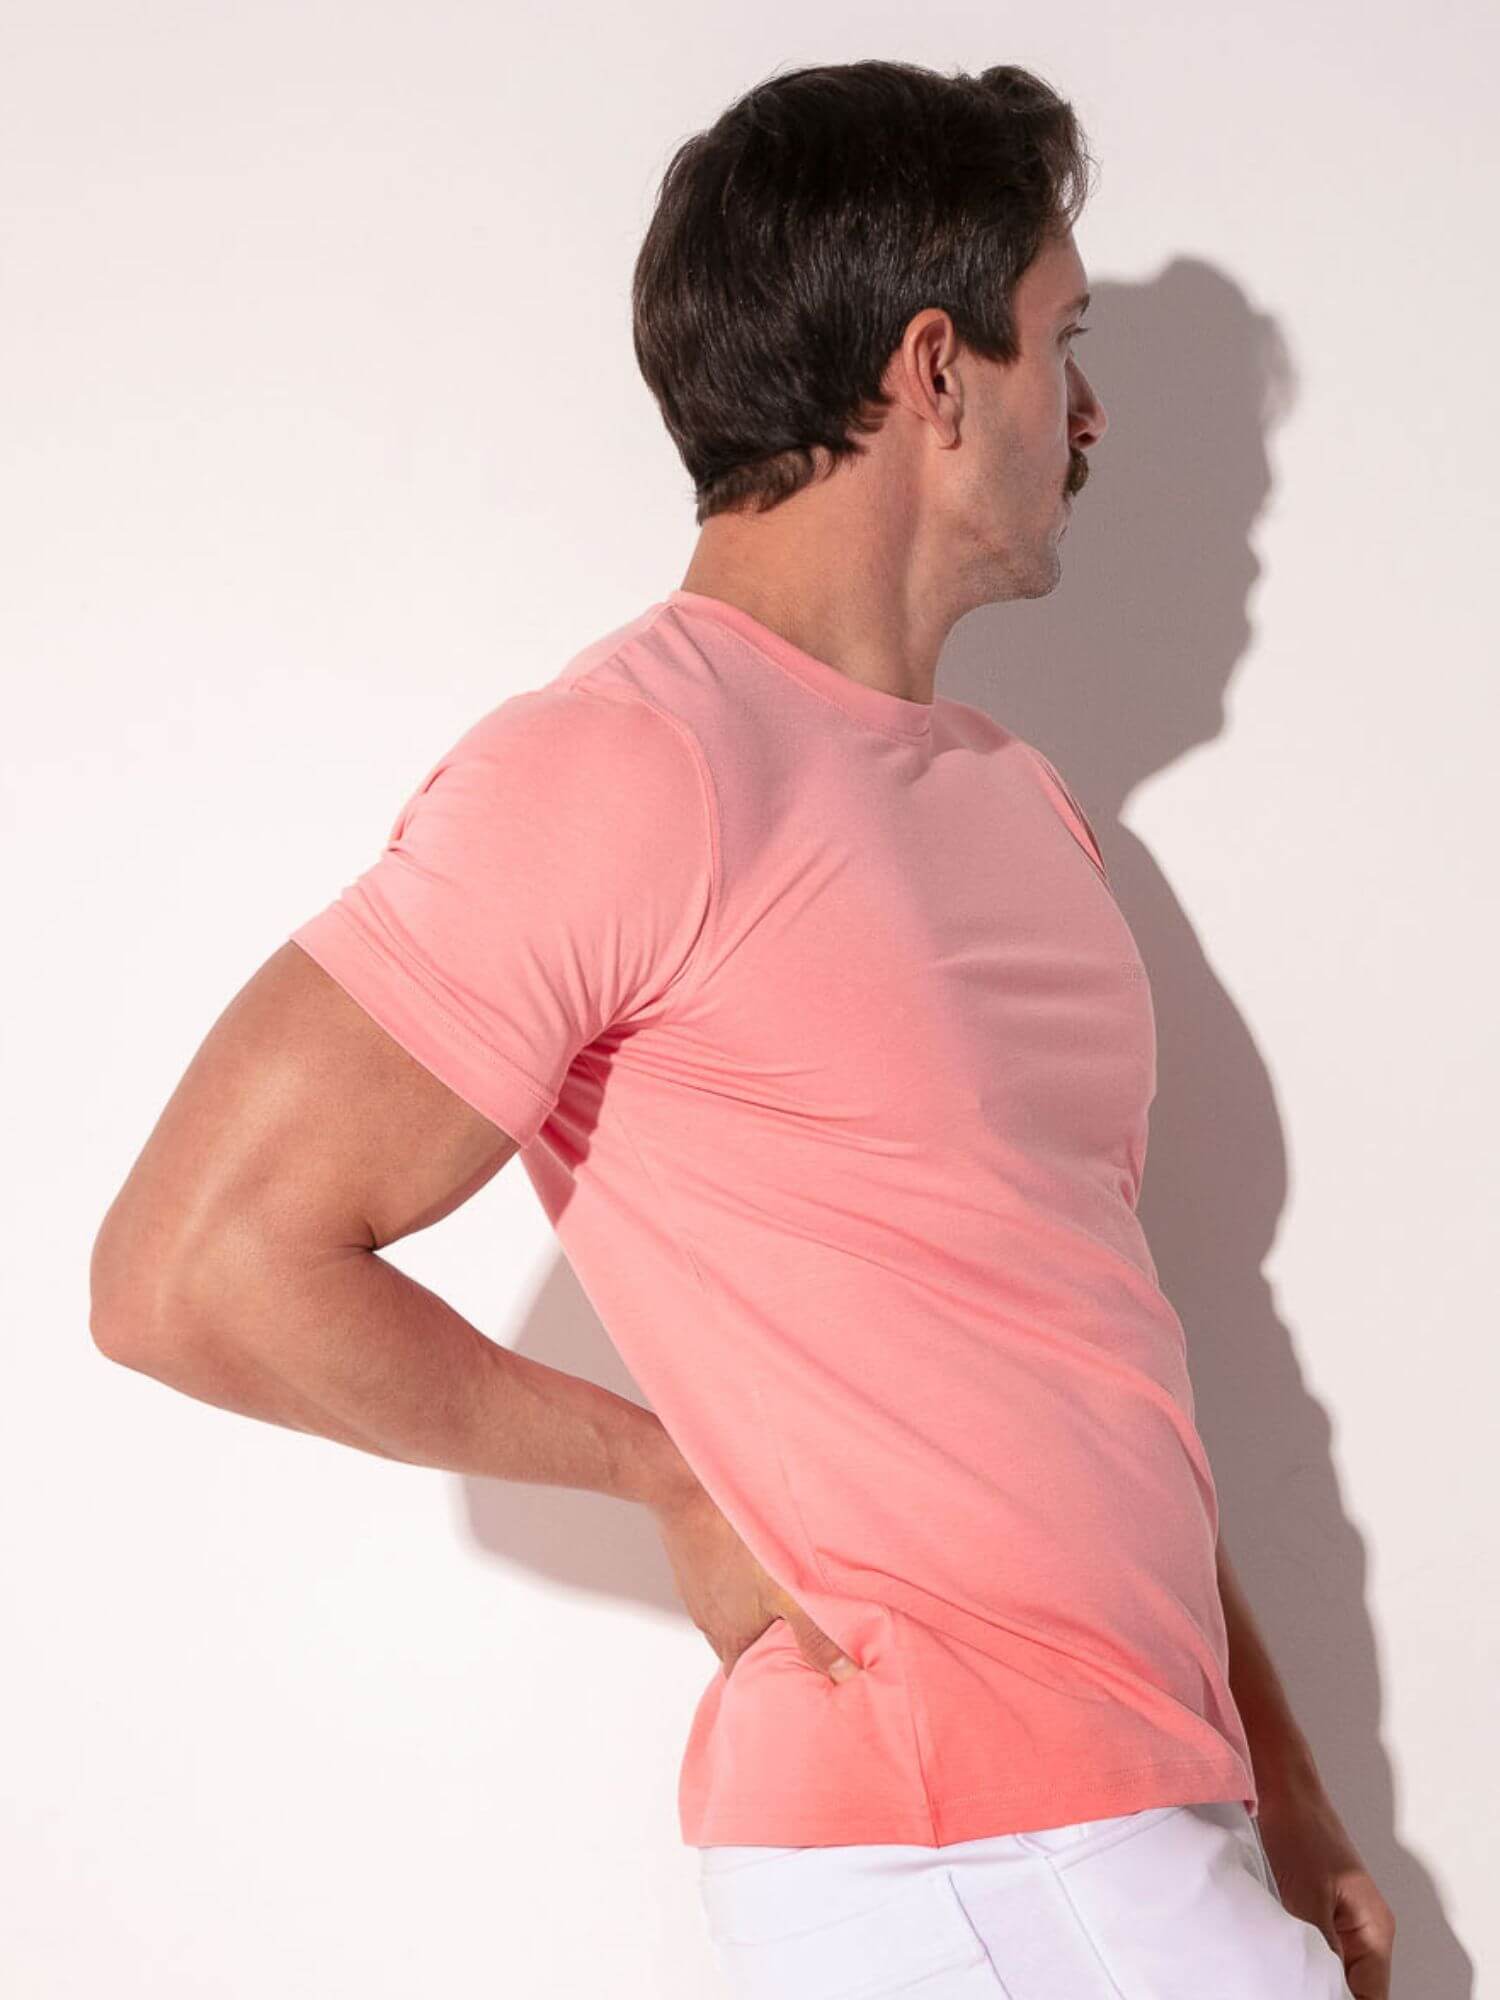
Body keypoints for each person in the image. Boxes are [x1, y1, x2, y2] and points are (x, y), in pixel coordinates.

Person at [89, 56, 1394, 2000]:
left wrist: (1275, 1786)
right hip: (959, 1839)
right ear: (935, 370)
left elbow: (1078, 1340)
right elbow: (189, 1271)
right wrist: (670, 1476)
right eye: (1063, 342)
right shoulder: (630, 764)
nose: (1091, 411)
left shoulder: (1010, 801)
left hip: (1122, 1814)